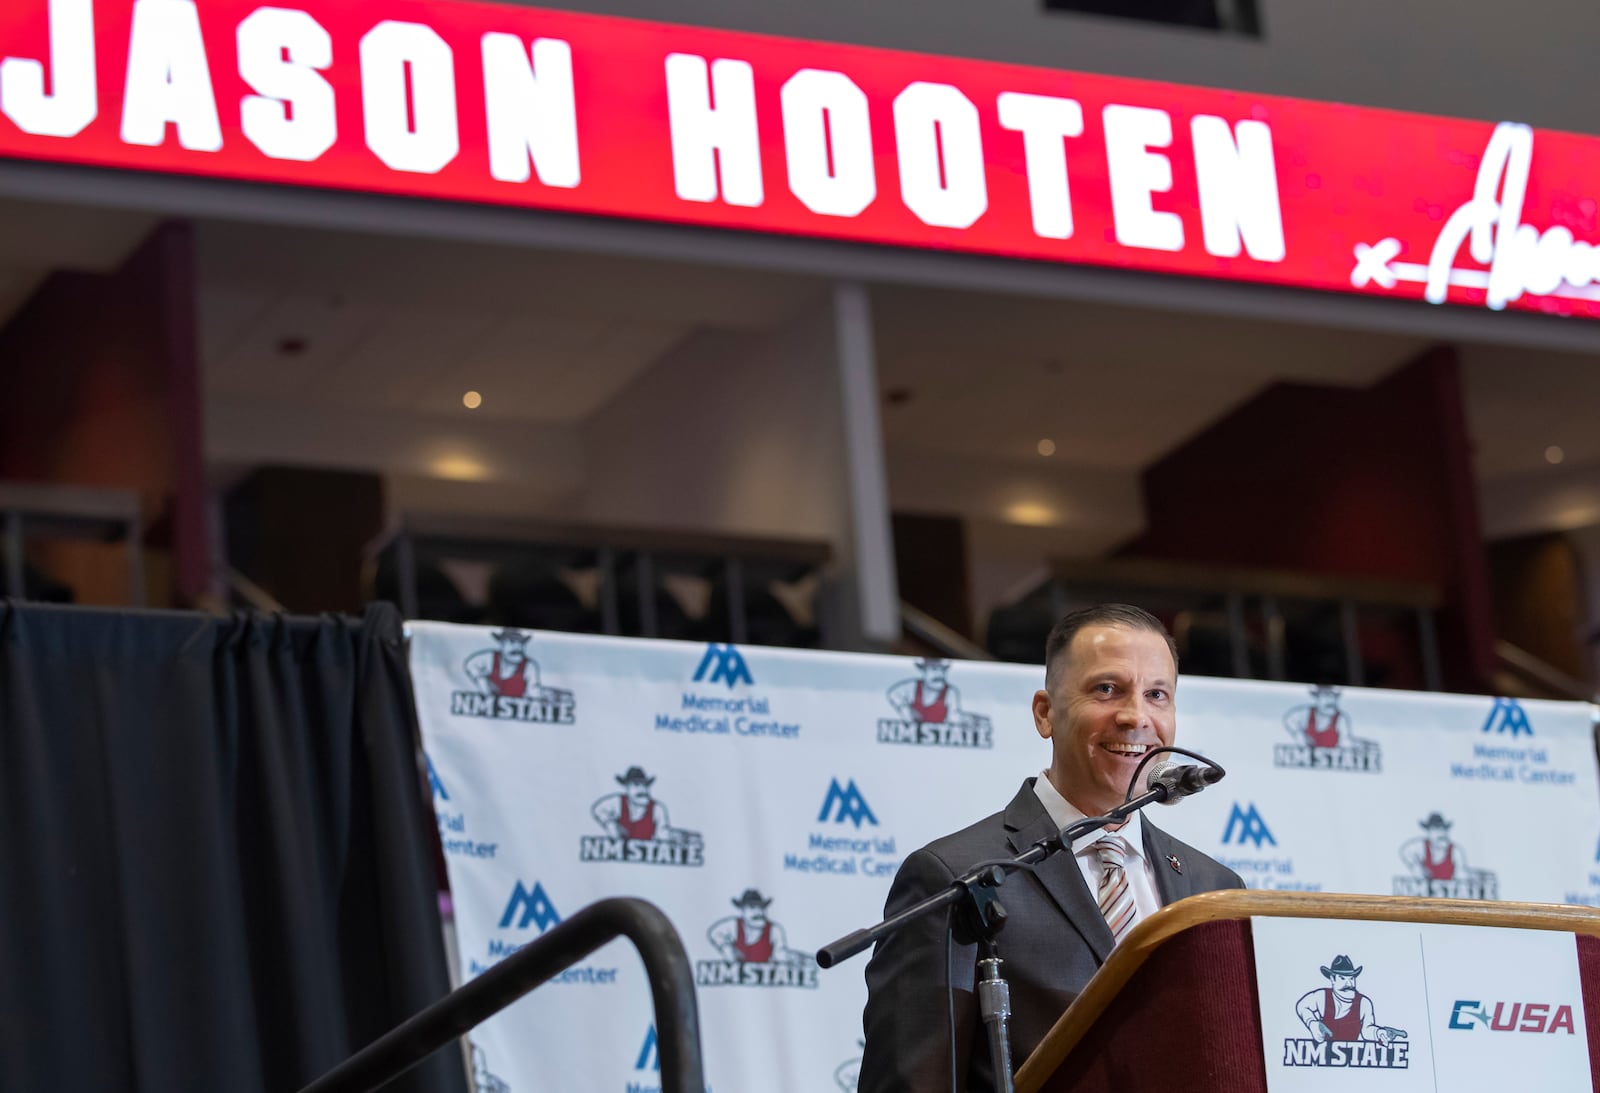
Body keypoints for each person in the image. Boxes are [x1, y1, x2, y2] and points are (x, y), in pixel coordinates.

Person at [858, 604, 1244, 1093]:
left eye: (1157, 695)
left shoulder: (1215, 890)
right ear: (1045, 713)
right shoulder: (955, 876)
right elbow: (913, 1083)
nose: (1135, 717)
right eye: (1107, 689)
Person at [1295, 955, 1404, 1044]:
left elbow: (1367, 1030)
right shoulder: (1322, 997)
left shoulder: (1363, 1003)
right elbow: (1301, 1006)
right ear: (1333, 979)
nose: (1349, 984)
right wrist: (1312, 1023)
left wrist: (1379, 1033)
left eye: (1352, 978)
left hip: (1351, 1060)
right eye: (1342, 978)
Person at [590, 767, 702, 847]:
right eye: (636, 785)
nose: (642, 790)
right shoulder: (617, 803)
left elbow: (663, 834)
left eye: (645, 785)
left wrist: (687, 838)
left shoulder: (657, 809)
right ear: (626, 788)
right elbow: (598, 809)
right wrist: (611, 824)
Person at [707, 889, 809, 965]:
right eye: (752, 907)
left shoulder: (774, 930)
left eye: (761, 907)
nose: (758, 912)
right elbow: (714, 933)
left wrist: (806, 959)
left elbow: (781, 954)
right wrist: (727, 947)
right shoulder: (733, 926)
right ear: (742, 910)